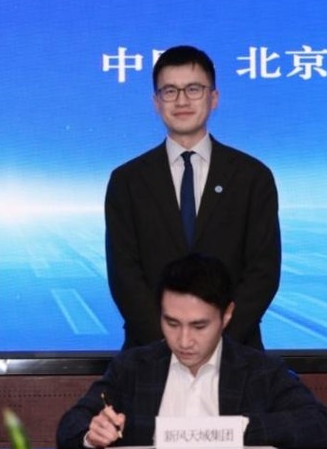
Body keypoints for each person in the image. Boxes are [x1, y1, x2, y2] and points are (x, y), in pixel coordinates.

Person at [57, 253, 327, 449]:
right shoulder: (133, 367)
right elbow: (70, 425)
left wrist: (233, 431)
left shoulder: (261, 371)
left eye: (199, 326)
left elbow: (321, 425)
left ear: (226, 315)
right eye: (172, 323)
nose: (184, 340)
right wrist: (93, 434)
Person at [105, 45, 280, 349]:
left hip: (236, 356)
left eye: (194, 89)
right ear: (156, 102)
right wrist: (170, 345)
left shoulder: (252, 177)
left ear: (214, 98)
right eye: (170, 91)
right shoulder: (127, 181)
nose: (182, 100)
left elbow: (263, 273)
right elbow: (124, 276)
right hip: (150, 356)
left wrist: (215, 345)